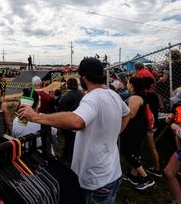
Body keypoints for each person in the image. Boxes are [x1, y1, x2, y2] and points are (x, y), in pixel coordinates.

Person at [19, 58, 130, 203]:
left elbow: (77, 121)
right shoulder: (113, 94)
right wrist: (115, 133)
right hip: (112, 172)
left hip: (95, 179)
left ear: (84, 77)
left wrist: (36, 117)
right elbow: (127, 114)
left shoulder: (92, 98)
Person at [121, 77, 155, 190]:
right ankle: (133, 175)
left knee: (127, 151)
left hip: (134, 128)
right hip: (138, 127)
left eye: (128, 83)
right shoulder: (138, 96)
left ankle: (145, 178)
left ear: (132, 85)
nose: (127, 84)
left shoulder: (135, 97)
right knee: (135, 151)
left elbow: (131, 115)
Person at [58, 78, 84, 163]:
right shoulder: (81, 93)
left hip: (69, 122)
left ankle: (69, 157)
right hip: (80, 119)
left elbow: (62, 113)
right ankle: (70, 155)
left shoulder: (65, 97)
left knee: (69, 141)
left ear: (67, 85)